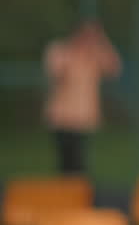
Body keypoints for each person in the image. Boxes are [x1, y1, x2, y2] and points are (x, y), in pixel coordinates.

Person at [43, 19, 121, 175]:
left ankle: (76, 194)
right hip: (62, 117)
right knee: (66, 161)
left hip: (83, 117)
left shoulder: (94, 56)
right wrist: (75, 52)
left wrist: (101, 41)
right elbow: (56, 72)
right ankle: (64, 194)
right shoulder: (60, 50)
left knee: (79, 163)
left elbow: (115, 67)